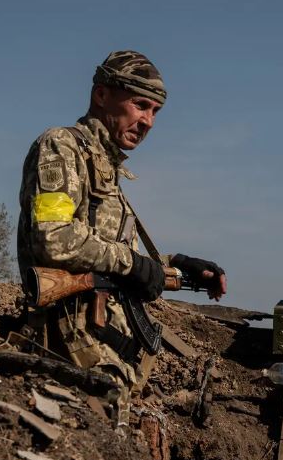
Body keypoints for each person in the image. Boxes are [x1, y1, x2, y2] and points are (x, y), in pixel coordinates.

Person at [16, 50, 226, 424]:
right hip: (70, 335)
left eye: (155, 112)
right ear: (102, 95)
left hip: (100, 337)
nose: (148, 121)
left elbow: (109, 255)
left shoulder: (105, 167)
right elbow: (53, 237)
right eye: (140, 105)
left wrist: (178, 266)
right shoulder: (61, 146)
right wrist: (132, 264)